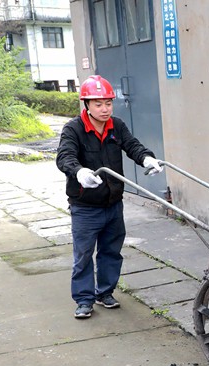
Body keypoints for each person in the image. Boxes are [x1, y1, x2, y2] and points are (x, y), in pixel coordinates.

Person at [56, 75, 163, 319]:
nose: (105, 109)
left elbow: (132, 146)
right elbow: (64, 157)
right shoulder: (74, 129)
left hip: (113, 204)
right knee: (84, 255)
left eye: (108, 103)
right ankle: (84, 300)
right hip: (85, 206)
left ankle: (104, 292)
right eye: (98, 104)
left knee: (111, 251)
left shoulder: (117, 125)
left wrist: (147, 157)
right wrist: (79, 172)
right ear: (86, 105)